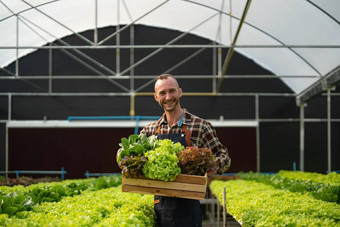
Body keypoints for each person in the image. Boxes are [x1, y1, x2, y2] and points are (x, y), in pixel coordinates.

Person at [139, 74, 231, 227]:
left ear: (180, 92)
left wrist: (203, 166)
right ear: (156, 97)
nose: (168, 97)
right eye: (162, 93)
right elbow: (130, 152)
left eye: (172, 91)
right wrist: (122, 155)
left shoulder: (200, 126)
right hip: (159, 209)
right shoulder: (150, 131)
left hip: (188, 209)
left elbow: (224, 158)